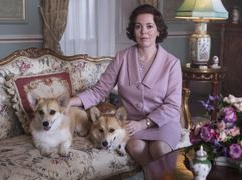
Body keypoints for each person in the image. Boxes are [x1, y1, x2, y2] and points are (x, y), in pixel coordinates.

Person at [67, 4, 182, 179]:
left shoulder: (172, 63)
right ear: (133, 31)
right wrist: (70, 102)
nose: (144, 31)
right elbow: (99, 90)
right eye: (138, 26)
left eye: (149, 26)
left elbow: (173, 106)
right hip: (132, 122)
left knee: (158, 148)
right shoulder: (122, 57)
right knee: (136, 147)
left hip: (163, 123)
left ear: (158, 31)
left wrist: (145, 124)